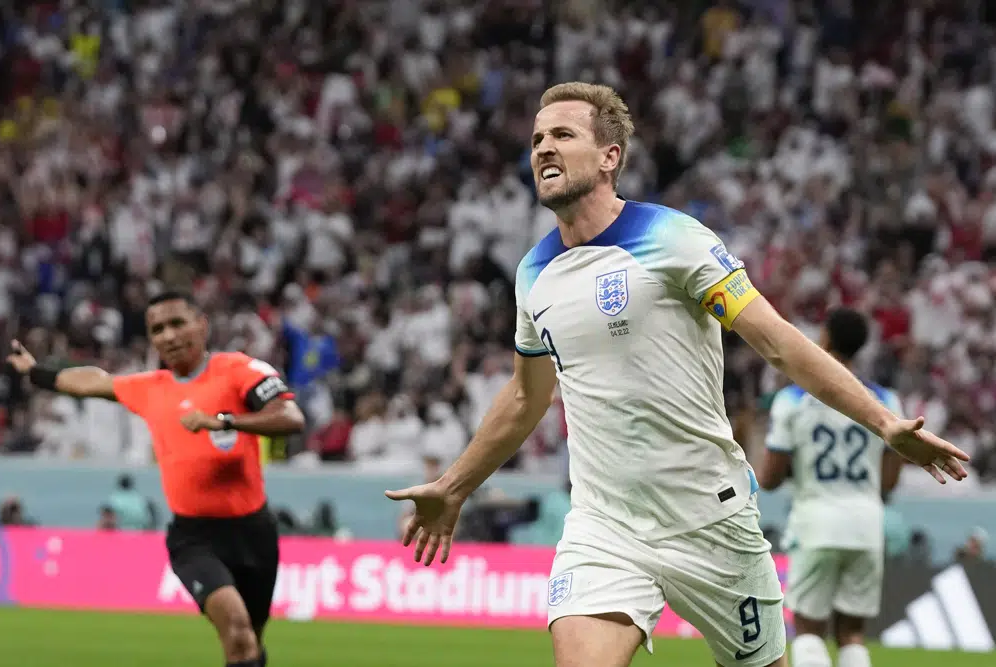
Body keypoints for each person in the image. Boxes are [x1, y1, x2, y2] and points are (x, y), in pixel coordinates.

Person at [384, 82, 970, 667]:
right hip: (604, 526)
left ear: (610, 156)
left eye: (562, 135)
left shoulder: (674, 238)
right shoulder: (533, 273)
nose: (543, 148)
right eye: (537, 139)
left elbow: (778, 343)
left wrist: (884, 422)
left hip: (710, 518)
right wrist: (454, 486)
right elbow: (523, 396)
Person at [7, 291, 305, 667]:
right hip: (195, 537)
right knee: (236, 627)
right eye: (157, 329)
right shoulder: (150, 388)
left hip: (254, 533)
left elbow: (291, 418)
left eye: (177, 323)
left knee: (248, 646)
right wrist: (36, 371)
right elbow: (93, 381)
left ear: (202, 325)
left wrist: (227, 421)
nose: (168, 335)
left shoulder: (241, 370)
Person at [757, 308, 903, 667]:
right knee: (852, 632)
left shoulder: (792, 400)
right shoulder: (887, 401)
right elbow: (888, 481)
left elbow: (771, 479)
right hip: (868, 525)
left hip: (816, 522)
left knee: (808, 629)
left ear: (824, 339)